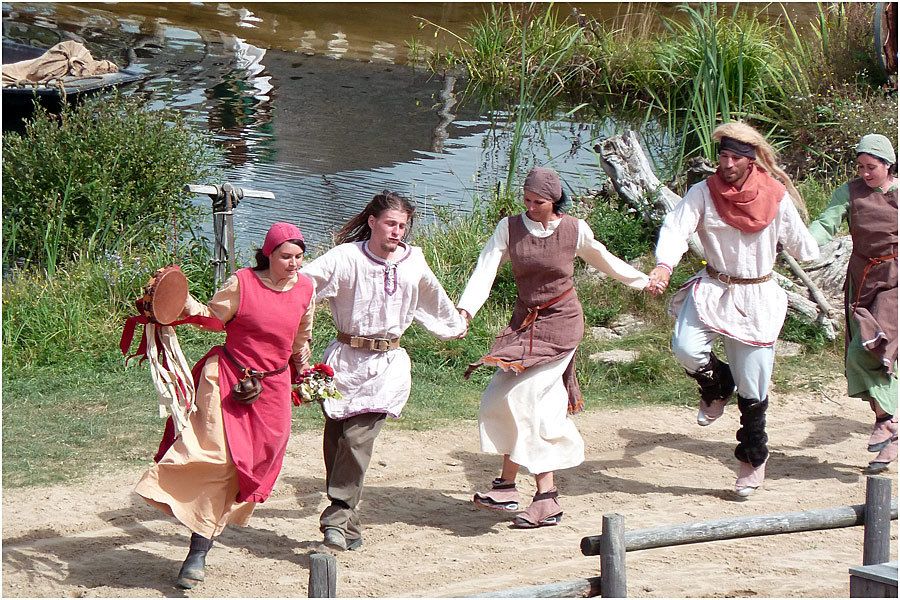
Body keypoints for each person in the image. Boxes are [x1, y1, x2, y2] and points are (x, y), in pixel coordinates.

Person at [457, 166, 650, 528]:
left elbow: (604, 260)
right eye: (527, 200)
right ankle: (508, 487)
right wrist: (466, 310)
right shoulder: (509, 229)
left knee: (528, 400)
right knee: (499, 398)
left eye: (539, 202)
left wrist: (642, 281)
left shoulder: (575, 230)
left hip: (562, 324)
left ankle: (541, 496)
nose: (531, 207)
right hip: (523, 325)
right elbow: (485, 270)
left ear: (555, 200)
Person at [135, 222, 314, 589]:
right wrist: (179, 301)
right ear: (268, 254)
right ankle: (197, 553)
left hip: (274, 387)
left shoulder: (306, 288)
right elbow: (213, 318)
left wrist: (305, 372)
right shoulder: (242, 282)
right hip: (227, 378)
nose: (293, 264)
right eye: (285, 257)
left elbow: (300, 336)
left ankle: (202, 536)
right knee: (219, 459)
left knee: (254, 463)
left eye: (298, 257)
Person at [648, 122, 820, 497]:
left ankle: (751, 461)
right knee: (686, 347)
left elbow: (805, 246)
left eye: (732, 158)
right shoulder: (703, 193)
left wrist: (819, 245)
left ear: (750, 161)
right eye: (721, 156)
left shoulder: (775, 196)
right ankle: (716, 385)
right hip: (714, 286)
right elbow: (676, 228)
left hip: (757, 296)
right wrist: (664, 265)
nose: (725, 164)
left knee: (753, 388)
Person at [301, 190, 467, 552]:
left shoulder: (414, 261)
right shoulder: (345, 258)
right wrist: (258, 289)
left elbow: (433, 298)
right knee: (337, 443)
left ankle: (336, 517)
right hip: (344, 362)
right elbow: (301, 286)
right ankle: (351, 526)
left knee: (358, 440)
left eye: (402, 226)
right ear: (373, 222)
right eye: (390, 224)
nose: (397, 232)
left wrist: (455, 324)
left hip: (387, 366)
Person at [808, 134, 898, 474]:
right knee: (857, 355)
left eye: (871, 167)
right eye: (860, 167)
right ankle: (888, 429)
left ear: (888, 165)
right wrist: (802, 243)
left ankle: (887, 420)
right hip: (861, 279)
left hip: (896, 280)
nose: (864, 173)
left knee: (873, 348)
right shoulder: (848, 192)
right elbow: (824, 224)